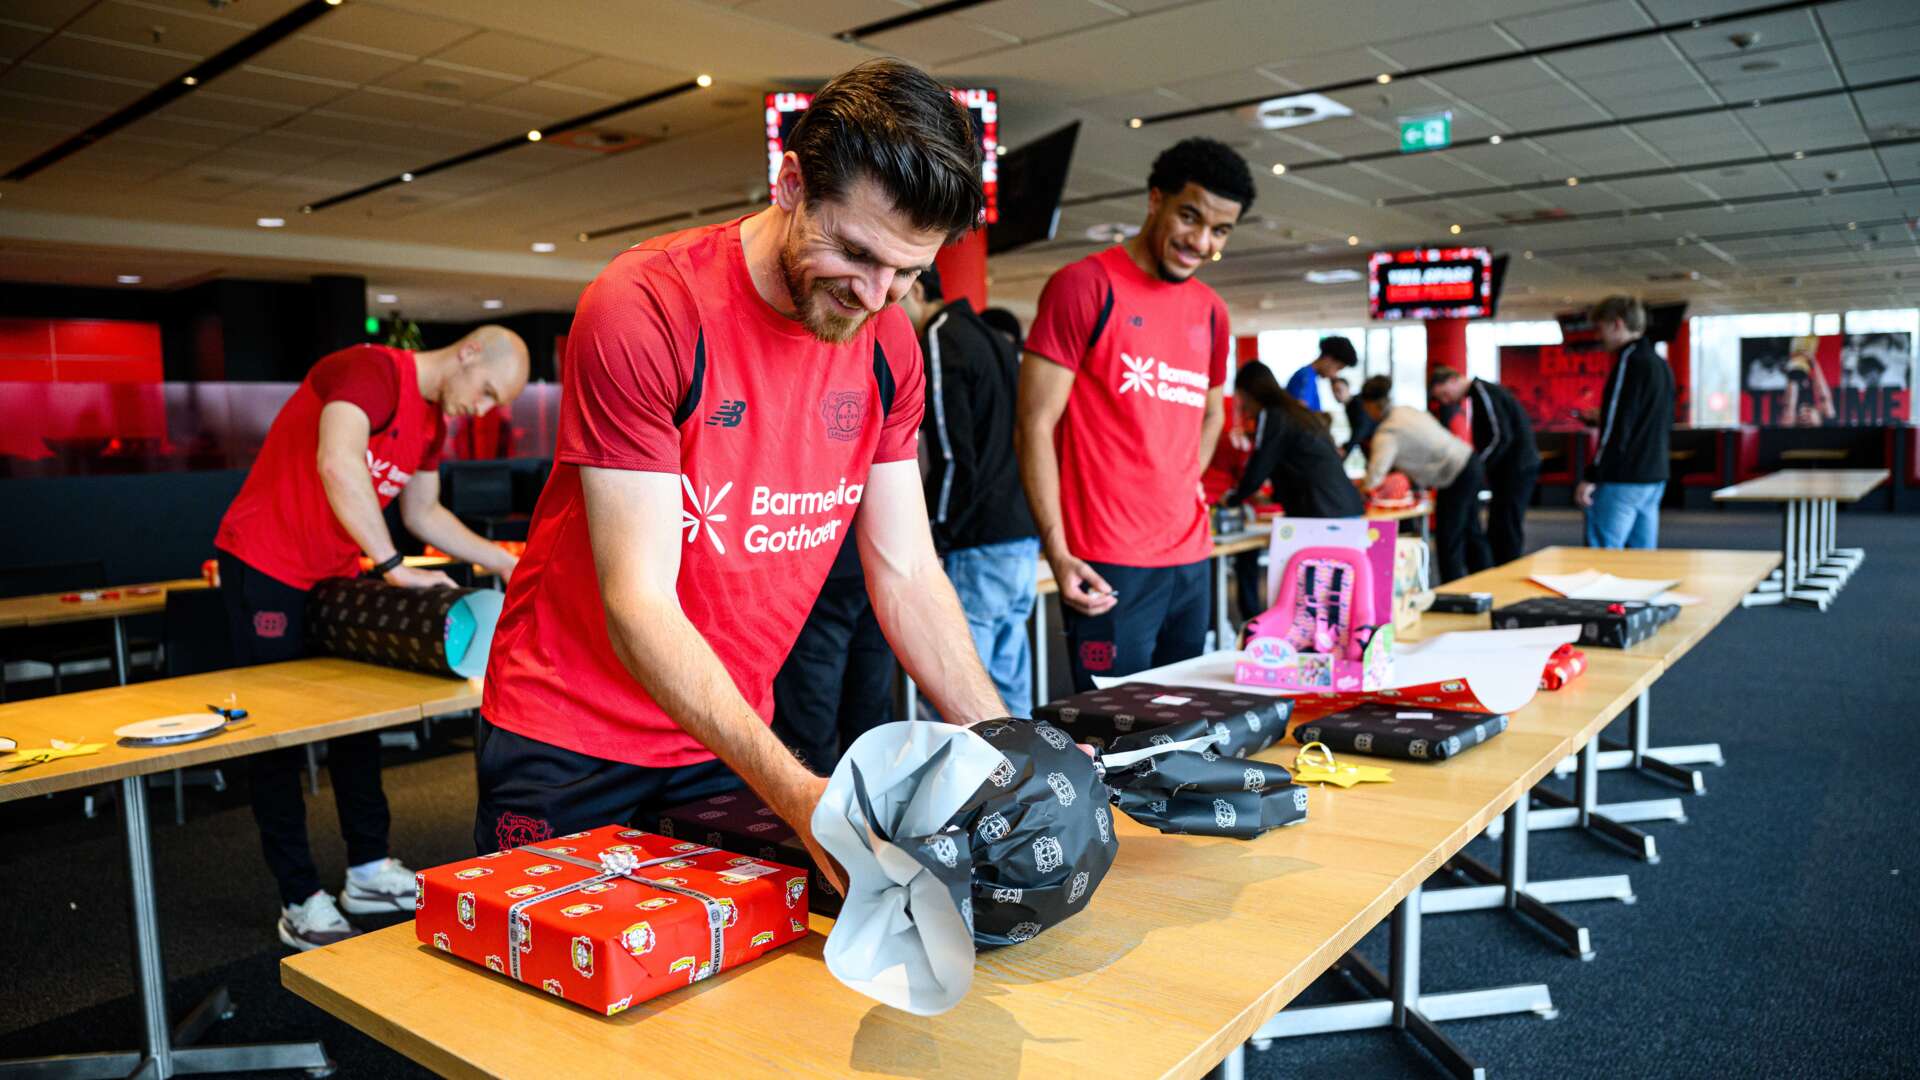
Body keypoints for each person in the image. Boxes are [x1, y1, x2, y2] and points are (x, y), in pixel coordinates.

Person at [473, 59, 1009, 884]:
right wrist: (798, 792)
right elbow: (638, 602)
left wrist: (1007, 751)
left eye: (907, 272)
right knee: (552, 1003)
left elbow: (904, 572)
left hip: (727, 736)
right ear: (792, 184)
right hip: (570, 737)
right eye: (858, 252)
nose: (875, 295)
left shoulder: (889, 345)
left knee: (729, 1004)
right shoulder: (648, 307)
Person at [213, 327, 528, 950]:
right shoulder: (369, 371)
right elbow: (338, 461)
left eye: (497, 404)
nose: (483, 410)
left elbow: (423, 514)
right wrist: (389, 564)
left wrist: (504, 561)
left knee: (358, 719)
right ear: (467, 353)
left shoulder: (432, 423)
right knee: (275, 735)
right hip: (265, 566)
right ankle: (299, 897)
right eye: (487, 391)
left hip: (332, 575)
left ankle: (367, 870)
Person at [1018, 137, 1246, 690]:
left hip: (1190, 555)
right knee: (1114, 733)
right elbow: (1034, 425)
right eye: (1189, 217)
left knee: (1183, 719)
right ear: (1155, 201)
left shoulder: (1212, 312)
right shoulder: (1085, 286)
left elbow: (1213, 413)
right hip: (1107, 557)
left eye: (1219, 231)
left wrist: (1183, 479)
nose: (1201, 241)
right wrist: (1058, 548)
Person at [898, 264, 1041, 717]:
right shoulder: (994, 340)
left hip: (976, 541)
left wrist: (934, 537)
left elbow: (952, 454)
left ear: (917, 289)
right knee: (1008, 686)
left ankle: (964, 789)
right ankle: (1027, 783)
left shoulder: (942, 338)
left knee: (952, 691)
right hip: (1018, 537)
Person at [1222, 360, 1362, 618]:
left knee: (1314, 602)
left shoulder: (1273, 415)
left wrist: (1231, 500)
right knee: (1336, 603)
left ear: (1249, 392)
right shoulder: (1297, 413)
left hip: (1320, 513)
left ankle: (1267, 636)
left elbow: (1260, 464)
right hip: (1344, 508)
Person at [1355, 375, 1488, 583]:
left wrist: (1359, 490)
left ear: (1371, 405)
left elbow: (1375, 474)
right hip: (1469, 462)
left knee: (1448, 537)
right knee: (1472, 531)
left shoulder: (1387, 431)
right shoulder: (1405, 411)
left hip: (1455, 474)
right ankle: (1484, 581)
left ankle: (1451, 592)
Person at [1578, 296, 1675, 549]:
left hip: (1623, 477)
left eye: (1600, 328)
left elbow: (1616, 428)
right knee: (1640, 562)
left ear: (1617, 324)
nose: (1599, 336)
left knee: (1602, 557)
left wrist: (1592, 475)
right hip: (1654, 476)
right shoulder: (1659, 363)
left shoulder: (1628, 362)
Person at [1430, 365, 1539, 567]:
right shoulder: (1479, 394)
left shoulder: (1483, 392)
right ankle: (1501, 569)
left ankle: (1508, 571)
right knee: (1499, 523)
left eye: (1445, 394)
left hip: (1517, 469)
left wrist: (1478, 465)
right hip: (1509, 470)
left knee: (1507, 524)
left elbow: (1500, 436)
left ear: (1453, 380)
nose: (1447, 401)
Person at [1284, 335, 1358, 412]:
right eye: (1338, 368)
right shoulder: (1305, 377)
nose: (1335, 374)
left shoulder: (1310, 377)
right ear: (1328, 358)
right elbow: (1302, 415)